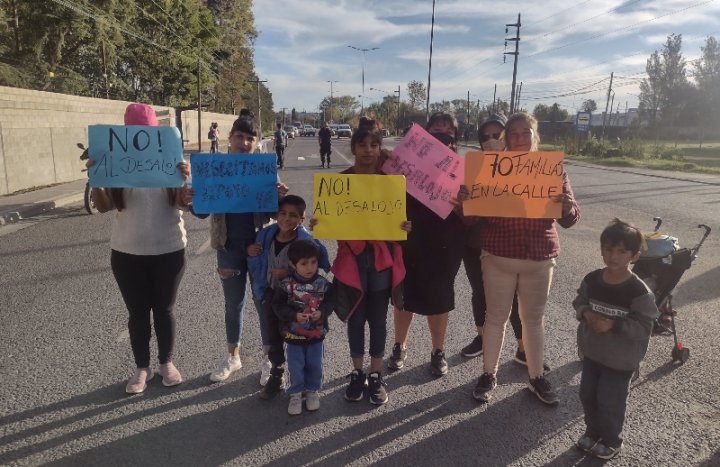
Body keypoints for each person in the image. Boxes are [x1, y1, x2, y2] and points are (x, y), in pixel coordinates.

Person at [472, 112, 580, 405]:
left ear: (536, 137)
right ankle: (488, 374)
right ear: (507, 137)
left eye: (525, 133)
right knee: (495, 318)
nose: (519, 139)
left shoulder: (551, 170)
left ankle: (536, 377)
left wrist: (567, 207)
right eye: (514, 134)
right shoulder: (491, 167)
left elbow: (571, 219)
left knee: (533, 320)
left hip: (539, 257)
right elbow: (471, 218)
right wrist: (468, 200)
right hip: (498, 255)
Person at [182, 109, 289, 384]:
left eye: (250, 138)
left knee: (263, 302)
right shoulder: (214, 170)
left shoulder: (263, 171)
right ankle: (233, 356)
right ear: (229, 138)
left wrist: (279, 198)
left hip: (259, 248)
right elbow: (202, 213)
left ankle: (269, 359)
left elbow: (277, 215)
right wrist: (193, 199)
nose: (244, 142)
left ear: (257, 142)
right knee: (233, 304)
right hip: (227, 247)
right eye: (239, 136)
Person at [89, 103, 189, 394]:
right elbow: (105, 206)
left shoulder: (171, 160)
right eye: (135, 133)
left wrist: (184, 179)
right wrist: (96, 180)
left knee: (164, 309)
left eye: (147, 133)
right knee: (137, 313)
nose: (141, 139)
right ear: (125, 135)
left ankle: (166, 362)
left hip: (169, 249)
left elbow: (184, 203)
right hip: (126, 252)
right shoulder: (116, 161)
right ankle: (141, 368)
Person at [317, 121, 410, 405]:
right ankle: (357, 373)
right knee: (355, 320)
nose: (368, 150)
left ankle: (376, 374)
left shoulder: (391, 179)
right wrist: (320, 222)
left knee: (378, 320)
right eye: (362, 145)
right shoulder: (340, 182)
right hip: (351, 262)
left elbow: (400, 216)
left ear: (379, 147)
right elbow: (331, 220)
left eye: (374, 145)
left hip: (382, 261)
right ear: (353, 147)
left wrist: (404, 226)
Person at [388, 112, 466, 377]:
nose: (442, 132)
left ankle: (438, 350)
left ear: (456, 136)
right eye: (437, 127)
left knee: (440, 298)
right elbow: (386, 197)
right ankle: (399, 345)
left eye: (448, 129)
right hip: (409, 236)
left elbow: (473, 214)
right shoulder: (406, 159)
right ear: (424, 132)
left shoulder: (464, 169)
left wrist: (463, 206)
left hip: (446, 241)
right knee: (403, 295)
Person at [573, 219, 658, 459]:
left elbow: (645, 325)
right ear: (601, 249)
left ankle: (612, 440)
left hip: (620, 360)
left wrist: (613, 324)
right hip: (592, 352)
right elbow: (579, 301)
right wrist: (586, 313)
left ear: (635, 256)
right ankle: (592, 432)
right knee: (588, 394)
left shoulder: (639, 291)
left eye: (622, 251)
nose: (613, 256)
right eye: (608, 249)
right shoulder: (592, 279)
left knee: (611, 401)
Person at [247, 195, 330, 399]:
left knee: (298, 335)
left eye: (293, 215)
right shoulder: (265, 236)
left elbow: (319, 262)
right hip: (270, 293)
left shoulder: (305, 240)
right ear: (276, 215)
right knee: (273, 334)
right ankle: (277, 372)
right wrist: (250, 252)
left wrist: (288, 274)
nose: (287, 219)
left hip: (297, 299)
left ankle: (306, 381)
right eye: (282, 213)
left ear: (301, 220)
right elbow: (256, 262)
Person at [462, 113, 528, 366]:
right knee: (480, 293)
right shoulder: (473, 166)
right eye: (485, 137)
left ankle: (524, 350)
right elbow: (464, 211)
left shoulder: (526, 167)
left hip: (508, 244)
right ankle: (481, 339)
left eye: (497, 136)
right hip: (475, 243)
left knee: (513, 298)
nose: (491, 141)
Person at [272, 240, 335, 415]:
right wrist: (294, 315)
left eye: (313, 262)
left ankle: (313, 391)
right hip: (292, 336)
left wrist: (322, 312)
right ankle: (296, 393)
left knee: (316, 364)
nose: (310, 267)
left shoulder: (323, 284)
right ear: (293, 264)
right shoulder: (286, 285)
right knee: (295, 366)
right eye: (304, 263)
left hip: (316, 335)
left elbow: (331, 302)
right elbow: (277, 306)